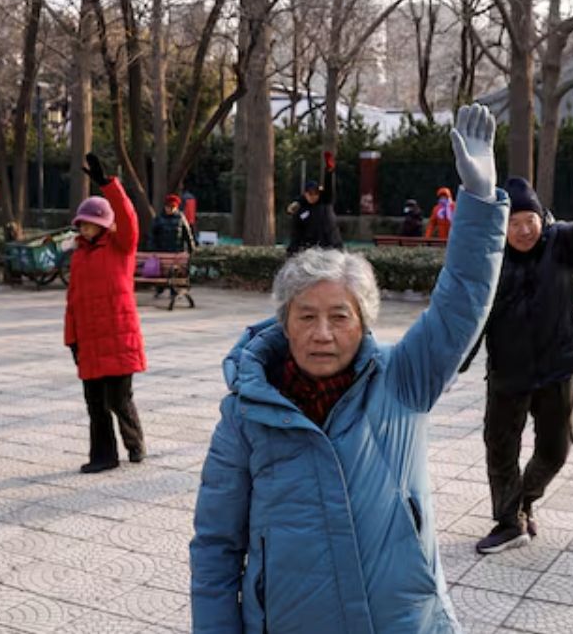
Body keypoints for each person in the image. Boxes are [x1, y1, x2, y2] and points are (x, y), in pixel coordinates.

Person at [190, 104, 507, 633]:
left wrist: (478, 204)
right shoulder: (246, 414)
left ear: (364, 323)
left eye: (340, 316)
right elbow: (216, 548)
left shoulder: (403, 380)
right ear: (284, 324)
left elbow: (462, 303)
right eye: (306, 316)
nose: (322, 333)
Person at [468, 159, 573, 555]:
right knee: (501, 448)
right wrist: (453, 361)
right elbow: (472, 313)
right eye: (514, 222)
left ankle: (523, 501)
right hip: (508, 372)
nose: (523, 229)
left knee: (556, 448)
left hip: (556, 366)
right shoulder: (491, 259)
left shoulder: (561, 244)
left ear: (540, 218)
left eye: (529, 219)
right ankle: (507, 521)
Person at [65, 153, 147, 474]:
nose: (83, 228)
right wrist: (71, 339)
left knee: (118, 401)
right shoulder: (79, 257)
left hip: (118, 339)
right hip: (89, 342)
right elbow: (72, 302)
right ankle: (103, 455)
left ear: (101, 225)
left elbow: (128, 216)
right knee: (95, 405)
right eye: (81, 223)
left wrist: (107, 184)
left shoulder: (121, 247)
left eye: (88, 223)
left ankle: (135, 443)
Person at [286, 178, 343, 255]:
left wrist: (329, 171)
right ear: (306, 194)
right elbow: (296, 233)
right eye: (310, 193)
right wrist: (292, 250)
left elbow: (329, 188)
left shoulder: (325, 203)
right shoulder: (300, 211)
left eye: (316, 193)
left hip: (332, 247)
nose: (313, 196)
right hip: (312, 251)